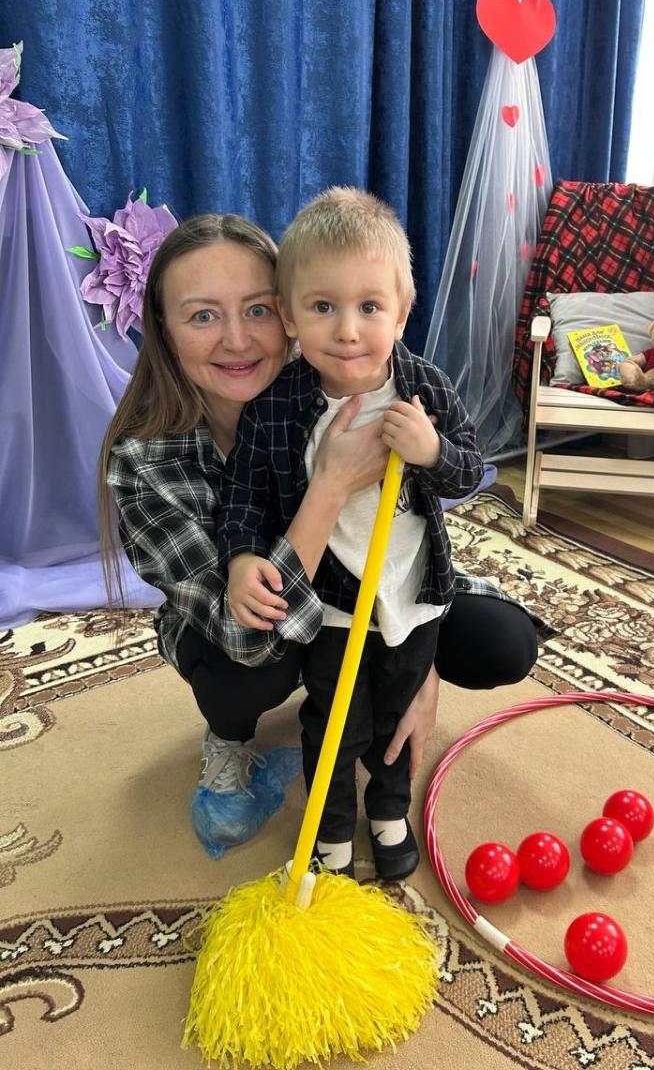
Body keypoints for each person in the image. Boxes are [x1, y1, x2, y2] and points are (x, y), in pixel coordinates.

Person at [100, 211, 539, 861]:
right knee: (254, 665)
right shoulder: (146, 459)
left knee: (502, 641)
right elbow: (248, 631)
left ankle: (384, 713)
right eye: (203, 316)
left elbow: (420, 509)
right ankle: (234, 740)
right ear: (164, 330)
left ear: (282, 312)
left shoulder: (367, 381)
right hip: (254, 628)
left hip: (382, 591)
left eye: (256, 310)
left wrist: (416, 651)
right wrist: (330, 486)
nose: (237, 340)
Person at [220, 188, 483, 880]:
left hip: (412, 597)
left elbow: (470, 470)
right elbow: (244, 498)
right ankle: (332, 827)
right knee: (336, 721)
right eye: (322, 307)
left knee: (394, 714)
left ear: (402, 312)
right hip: (333, 607)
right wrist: (242, 558)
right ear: (289, 316)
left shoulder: (426, 389)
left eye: (370, 307)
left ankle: (389, 812)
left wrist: (432, 452)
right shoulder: (276, 407)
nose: (347, 331)